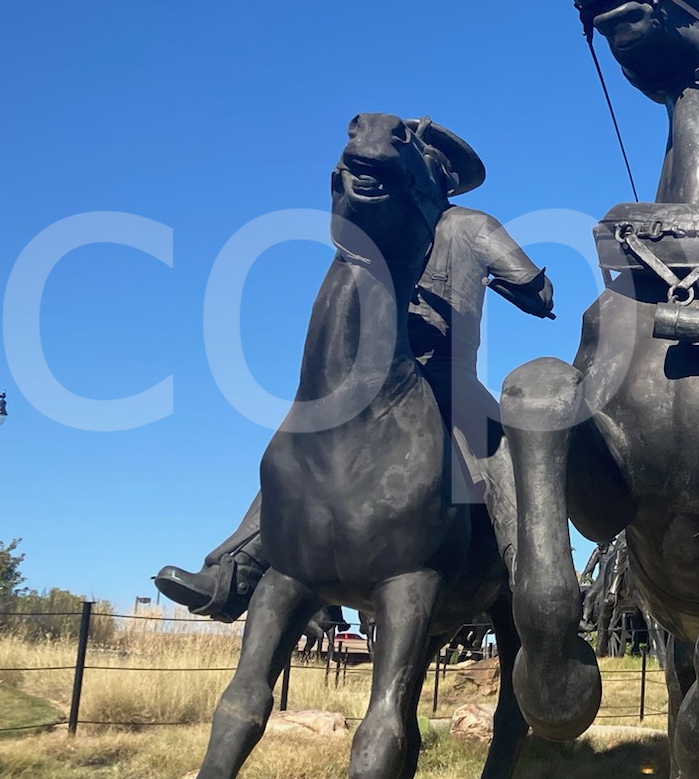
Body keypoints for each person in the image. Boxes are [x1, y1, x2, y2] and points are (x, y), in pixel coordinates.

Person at [154, 119, 554, 621]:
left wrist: (521, 283)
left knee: (503, 466)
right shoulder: (380, 222)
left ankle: (534, 590)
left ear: (444, 177)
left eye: (427, 157)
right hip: (372, 375)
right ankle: (236, 568)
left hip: (447, 379)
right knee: (304, 454)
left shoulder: (471, 225)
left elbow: (539, 292)